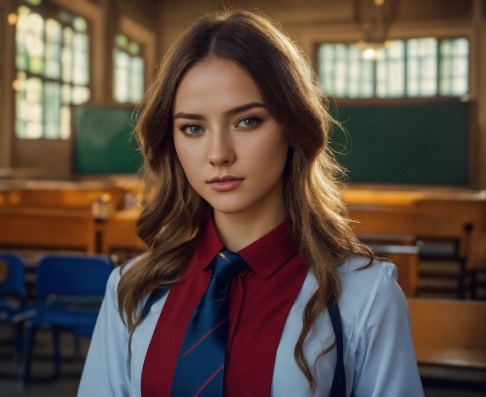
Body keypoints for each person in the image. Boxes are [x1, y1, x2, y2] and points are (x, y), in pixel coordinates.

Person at [78, 9, 424, 397]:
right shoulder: (133, 288)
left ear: (293, 127)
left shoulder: (365, 296)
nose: (218, 154)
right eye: (192, 128)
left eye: (247, 121)